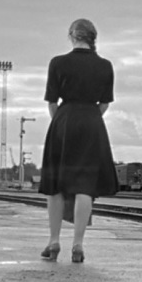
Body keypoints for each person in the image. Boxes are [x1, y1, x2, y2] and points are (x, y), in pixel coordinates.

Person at [39, 18, 119, 263]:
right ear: (92, 38)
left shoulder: (57, 63)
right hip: (92, 122)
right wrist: (90, 118)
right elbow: (105, 103)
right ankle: (78, 244)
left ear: (72, 36)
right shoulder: (105, 65)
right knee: (85, 186)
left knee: (55, 185)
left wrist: (62, 121)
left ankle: (54, 241)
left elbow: (52, 101)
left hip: (63, 120)